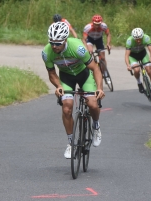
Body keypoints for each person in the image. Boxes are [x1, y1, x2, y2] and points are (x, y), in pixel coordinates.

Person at [41, 22, 105, 159]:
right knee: (67, 108)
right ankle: (70, 143)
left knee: (93, 104)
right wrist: (58, 86)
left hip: (84, 75)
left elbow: (95, 68)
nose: (54, 46)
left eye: (58, 43)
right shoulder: (47, 53)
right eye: (52, 42)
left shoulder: (77, 48)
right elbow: (52, 74)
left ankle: (96, 126)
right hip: (66, 78)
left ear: (65, 40)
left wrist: (99, 88)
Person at [124, 28, 151, 101]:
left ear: (142, 36)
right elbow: (126, 55)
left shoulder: (146, 38)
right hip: (133, 56)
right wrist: (128, 65)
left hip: (143, 54)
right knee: (137, 70)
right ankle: (139, 83)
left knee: (149, 71)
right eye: (136, 39)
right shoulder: (129, 41)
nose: (138, 41)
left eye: (140, 39)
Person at [82, 14, 111, 83]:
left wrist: (108, 44)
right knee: (90, 51)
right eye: (95, 24)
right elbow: (84, 40)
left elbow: (108, 35)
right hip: (90, 39)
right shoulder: (87, 27)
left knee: (103, 57)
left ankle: (106, 74)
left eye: (99, 24)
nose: (97, 25)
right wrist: (87, 48)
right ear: (92, 22)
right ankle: (92, 69)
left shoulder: (104, 26)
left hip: (99, 40)